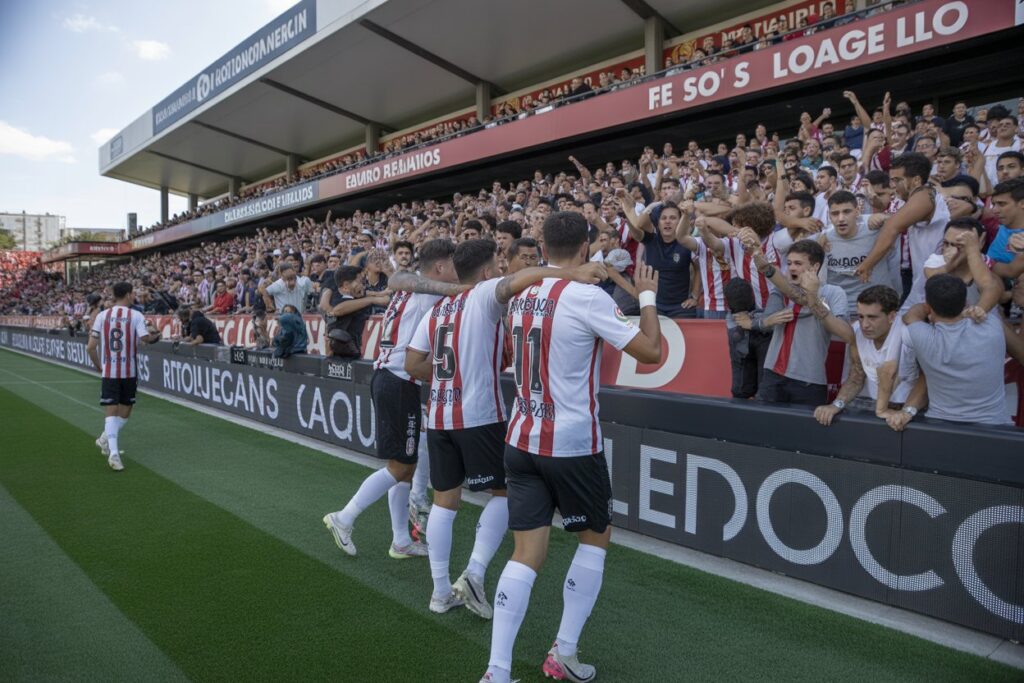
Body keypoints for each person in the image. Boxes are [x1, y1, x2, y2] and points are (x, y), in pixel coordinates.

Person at [481, 212, 662, 683]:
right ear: (585, 248)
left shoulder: (522, 291)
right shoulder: (588, 297)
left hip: (521, 437)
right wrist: (646, 298)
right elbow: (651, 352)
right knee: (595, 539)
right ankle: (563, 651)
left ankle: (497, 671)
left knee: (525, 554)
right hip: (571, 443)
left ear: (542, 247)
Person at [405, 239, 603, 617]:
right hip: (479, 415)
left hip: (439, 416)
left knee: (445, 503)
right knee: (505, 494)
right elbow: (520, 279)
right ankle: (475, 573)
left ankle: (440, 592)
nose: (503, 272)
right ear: (484, 273)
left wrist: (451, 374)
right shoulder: (482, 295)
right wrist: (569, 272)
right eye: (498, 267)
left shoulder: (439, 310)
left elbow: (413, 363)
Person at [322, 240, 467, 560]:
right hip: (398, 381)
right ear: (441, 267)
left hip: (393, 379)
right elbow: (401, 279)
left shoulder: (413, 286)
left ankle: (401, 540)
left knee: (406, 464)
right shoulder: (427, 289)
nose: (458, 273)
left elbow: (398, 279)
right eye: (454, 265)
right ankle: (344, 517)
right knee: (401, 465)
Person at [745, 238, 854, 405]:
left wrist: (814, 298)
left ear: (815, 267)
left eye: (798, 263)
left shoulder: (833, 292)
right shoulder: (780, 290)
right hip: (772, 375)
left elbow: (846, 334)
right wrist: (768, 321)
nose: (792, 268)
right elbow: (765, 325)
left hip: (808, 381)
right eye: (789, 263)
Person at [899, 273, 1009, 426]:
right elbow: (991, 287)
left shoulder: (921, 336)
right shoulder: (992, 325)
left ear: (928, 307)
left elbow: (910, 315)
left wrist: (926, 309)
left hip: (940, 424)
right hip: (994, 425)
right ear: (965, 302)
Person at [813, 285, 919, 426]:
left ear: (892, 316)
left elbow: (925, 380)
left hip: (904, 405)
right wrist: (836, 405)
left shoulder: (909, 334)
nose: (865, 324)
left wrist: (908, 411)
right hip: (865, 402)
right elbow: (856, 376)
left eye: (872, 317)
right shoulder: (856, 330)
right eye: (861, 316)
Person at [87, 281, 162, 471]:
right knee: (119, 410)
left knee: (120, 411)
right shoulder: (136, 315)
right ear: (128, 294)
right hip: (129, 370)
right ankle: (113, 453)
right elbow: (145, 339)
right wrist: (156, 336)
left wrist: (99, 366)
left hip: (111, 371)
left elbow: (90, 347)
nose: (134, 296)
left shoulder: (102, 316)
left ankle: (105, 439)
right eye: (133, 293)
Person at [857, 153, 950, 285]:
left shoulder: (924, 195)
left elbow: (892, 227)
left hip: (936, 281)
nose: (893, 185)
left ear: (916, 180)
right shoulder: (915, 198)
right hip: (922, 277)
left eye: (897, 180)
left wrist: (867, 265)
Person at [820, 190, 894, 309]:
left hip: (876, 307)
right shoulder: (823, 239)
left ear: (857, 211)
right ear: (829, 216)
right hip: (840, 309)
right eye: (835, 213)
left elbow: (902, 222)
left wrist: (884, 217)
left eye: (847, 212)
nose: (841, 218)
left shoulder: (874, 230)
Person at [320, 265, 389, 358]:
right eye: (360, 282)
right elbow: (337, 310)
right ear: (346, 285)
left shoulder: (356, 297)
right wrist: (372, 300)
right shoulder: (335, 299)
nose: (363, 285)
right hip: (340, 355)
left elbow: (370, 295)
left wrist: (380, 295)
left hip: (353, 353)